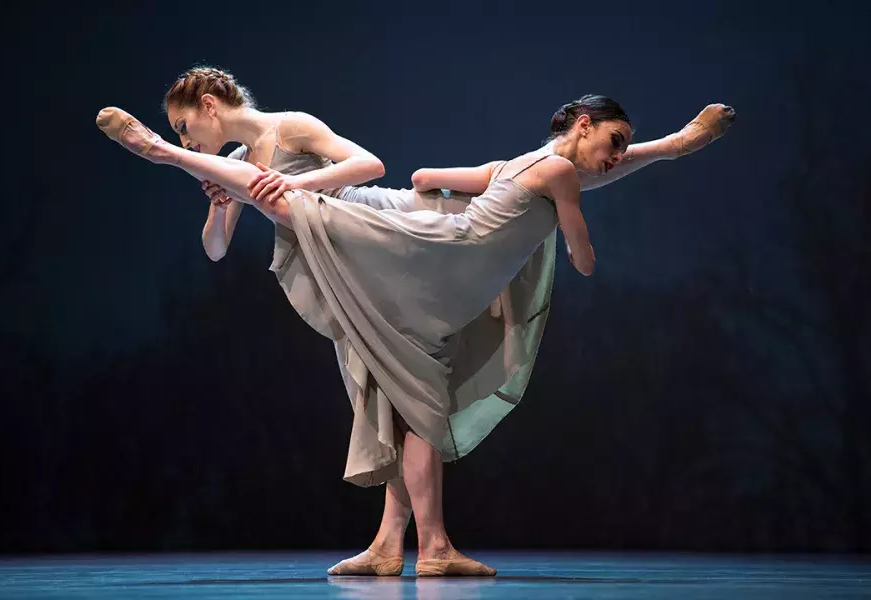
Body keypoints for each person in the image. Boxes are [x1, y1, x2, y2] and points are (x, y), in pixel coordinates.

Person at [96, 71, 735, 576]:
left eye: (183, 131)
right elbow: (216, 249)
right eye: (177, 140)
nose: (192, 139)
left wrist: (271, 184)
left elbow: (374, 169)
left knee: (407, 377)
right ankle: (403, 544)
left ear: (209, 104)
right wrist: (227, 197)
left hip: (379, 232)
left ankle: (413, 545)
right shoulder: (240, 162)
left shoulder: (293, 128)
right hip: (362, 247)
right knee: (404, 388)